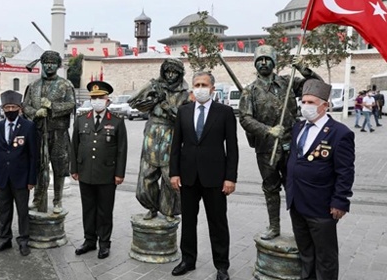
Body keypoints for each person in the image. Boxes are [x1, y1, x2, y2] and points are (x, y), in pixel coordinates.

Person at [239, 45, 322, 240]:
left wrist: (304, 69)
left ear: (275, 62)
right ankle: (274, 226)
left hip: (292, 145)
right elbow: (245, 119)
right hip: (266, 148)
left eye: (268, 59)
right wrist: (268, 130)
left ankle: (299, 228)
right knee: (270, 188)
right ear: (255, 64)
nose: (264, 63)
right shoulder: (249, 91)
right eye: (260, 60)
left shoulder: (288, 81)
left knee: (295, 188)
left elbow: (318, 89)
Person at [169, 72, 238, 280]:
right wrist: (174, 173)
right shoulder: (183, 112)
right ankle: (188, 260)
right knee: (188, 221)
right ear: (192, 89)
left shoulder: (224, 112)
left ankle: (222, 266)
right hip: (188, 177)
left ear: (212, 89)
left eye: (204, 84)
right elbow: (176, 145)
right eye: (197, 84)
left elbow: (232, 148)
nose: (200, 88)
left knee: (217, 223)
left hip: (215, 178)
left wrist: (230, 178)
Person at [286, 79, 355, 280]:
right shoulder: (298, 128)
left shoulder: (340, 133)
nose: (305, 106)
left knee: (325, 257)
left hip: (321, 206)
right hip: (297, 202)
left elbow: (345, 172)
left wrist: (340, 201)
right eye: (303, 101)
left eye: (311, 102)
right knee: (306, 253)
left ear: (325, 105)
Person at [71, 81, 127, 260]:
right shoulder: (81, 120)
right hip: (85, 172)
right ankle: (89, 241)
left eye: (100, 98)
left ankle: (104, 243)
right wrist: (74, 168)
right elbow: (74, 146)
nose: (97, 101)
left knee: (104, 210)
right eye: (94, 98)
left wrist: (119, 173)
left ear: (107, 100)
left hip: (107, 174)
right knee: (88, 209)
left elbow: (121, 150)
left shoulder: (117, 121)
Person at [128, 58, 189, 220]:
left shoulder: (184, 93)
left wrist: (166, 106)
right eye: (167, 71)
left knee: (169, 176)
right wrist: (151, 89)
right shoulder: (155, 86)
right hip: (152, 134)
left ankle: (169, 210)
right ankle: (152, 206)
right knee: (146, 176)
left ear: (180, 74)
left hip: (171, 135)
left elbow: (183, 117)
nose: (170, 75)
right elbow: (133, 101)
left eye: (174, 72)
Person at [23, 50, 76, 214]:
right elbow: (25, 105)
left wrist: (52, 106)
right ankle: (37, 197)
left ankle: (58, 199)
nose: (49, 65)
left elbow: (71, 105)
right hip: (39, 132)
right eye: (46, 62)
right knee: (39, 166)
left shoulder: (65, 85)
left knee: (59, 166)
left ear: (58, 65)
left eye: (53, 62)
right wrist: (35, 112)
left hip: (58, 132)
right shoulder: (33, 85)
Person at [0, 90, 38, 256]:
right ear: (3, 108)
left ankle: (24, 240)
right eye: (7, 107)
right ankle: (4, 239)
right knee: (4, 210)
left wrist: (32, 179)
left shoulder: (28, 127)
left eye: (13, 106)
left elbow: (33, 156)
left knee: (22, 211)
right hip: (2, 177)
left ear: (20, 108)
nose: (10, 109)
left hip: (22, 178)